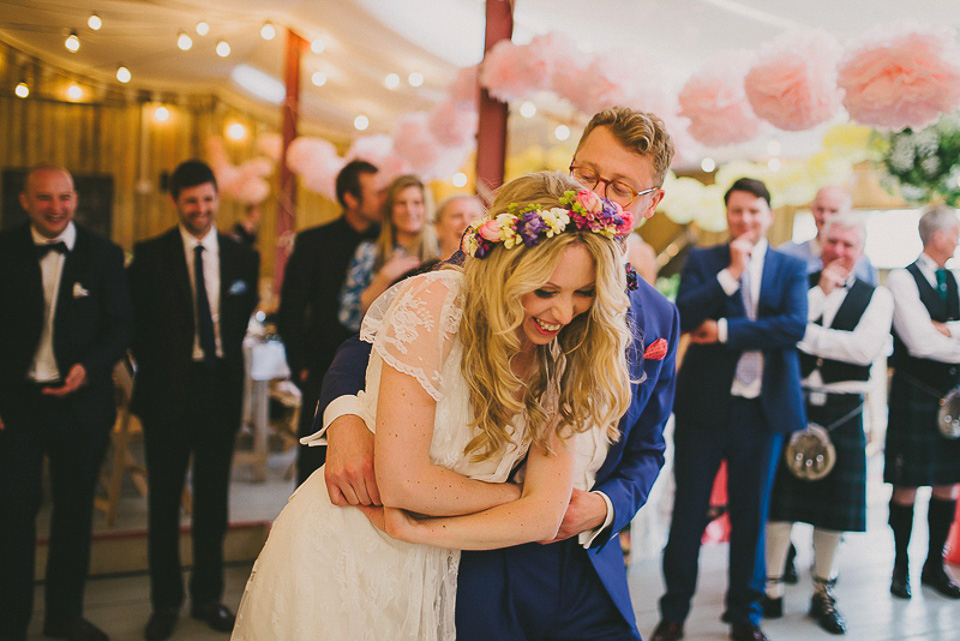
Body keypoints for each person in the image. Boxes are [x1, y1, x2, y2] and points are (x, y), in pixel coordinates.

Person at [319, 107, 680, 641]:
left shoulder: (659, 317)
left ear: (652, 204)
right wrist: (344, 419)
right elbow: (378, 339)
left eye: (622, 188)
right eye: (587, 176)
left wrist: (602, 508)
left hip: (585, 562)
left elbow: (648, 448)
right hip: (479, 550)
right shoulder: (504, 257)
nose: (598, 197)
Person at [232, 171, 637, 640]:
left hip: (442, 557)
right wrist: (518, 497)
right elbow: (403, 483)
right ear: (506, 267)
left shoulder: (566, 346)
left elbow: (545, 518)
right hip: (355, 544)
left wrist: (423, 532)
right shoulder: (438, 303)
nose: (564, 313)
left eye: (583, 293)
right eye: (545, 291)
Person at [652, 177, 807, 641]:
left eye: (754, 211)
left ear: (768, 213)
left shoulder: (790, 267)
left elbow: (793, 328)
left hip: (763, 413)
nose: (746, 220)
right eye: (737, 211)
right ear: (728, 215)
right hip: (704, 409)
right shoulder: (705, 261)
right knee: (688, 515)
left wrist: (722, 332)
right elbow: (685, 314)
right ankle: (673, 613)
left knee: (751, 516)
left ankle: (746, 617)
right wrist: (731, 276)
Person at [128, 160, 260, 641]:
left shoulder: (242, 256)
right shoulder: (148, 255)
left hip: (219, 391)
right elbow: (135, 328)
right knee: (163, 502)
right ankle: (165, 602)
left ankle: (208, 596)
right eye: (191, 201)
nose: (201, 209)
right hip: (166, 393)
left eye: (208, 200)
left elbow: (240, 318)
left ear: (216, 199)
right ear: (175, 202)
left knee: (212, 502)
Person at [0, 164, 132, 641]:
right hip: (17, 406)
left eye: (64, 197)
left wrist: (89, 368)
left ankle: (64, 618)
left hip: (81, 405)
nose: (56, 207)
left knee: (75, 514)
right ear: (24, 201)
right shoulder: (4, 250)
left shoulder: (104, 255)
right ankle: (10, 619)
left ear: (75, 199)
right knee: (12, 514)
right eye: (44, 198)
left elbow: (120, 326)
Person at [763, 214, 894, 635]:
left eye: (849, 245)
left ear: (862, 251)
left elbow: (864, 350)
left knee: (832, 515)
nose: (839, 251)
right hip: (793, 403)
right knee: (780, 506)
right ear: (821, 242)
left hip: (843, 411)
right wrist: (816, 299)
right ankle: (771, 589)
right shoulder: (798, 284)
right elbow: (782, 332)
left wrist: (806, 334)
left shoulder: (879, 297)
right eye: (833, 242)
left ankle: (823, 590)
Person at [276, 160, 383, 486]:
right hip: (323, 370)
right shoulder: (313, 243)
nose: (385, 200)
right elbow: (290, 311)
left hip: (379, 373)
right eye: (377, 193)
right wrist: (302, 369)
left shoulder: (391, 242)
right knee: (314, 467)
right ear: (352, 199)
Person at [884, 204, 960, 601]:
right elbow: (918, 342)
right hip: (914, 394)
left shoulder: (953, 277)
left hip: (953, 400)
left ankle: (935, 565)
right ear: (938, 236)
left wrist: (946, 331)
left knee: (949, 483)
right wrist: (941, 337)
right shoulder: (902, 279)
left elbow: (935, 340)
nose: (959, 238)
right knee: (907, 484)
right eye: (955, 231)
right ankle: (901, 567)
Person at [338, 174, 438, 332]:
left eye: (417, 202)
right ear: (390, 210)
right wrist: (384, 277)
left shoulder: (440, 252)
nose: (409, 210)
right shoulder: (368, 252)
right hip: (376, 345)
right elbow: (348, 316)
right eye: (401, 203)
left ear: (427, 207)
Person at [779, 186, 877, 285]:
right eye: (820, 210)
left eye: (834, 211)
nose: (825, 217)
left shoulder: (863, 264)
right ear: (812, 210)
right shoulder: (787, 254)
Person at [434, 193, 483, 260]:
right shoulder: (424, 270)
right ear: (438, 227)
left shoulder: (491, 269)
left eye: (473, 217)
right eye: (457, 216)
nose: (466, 222)